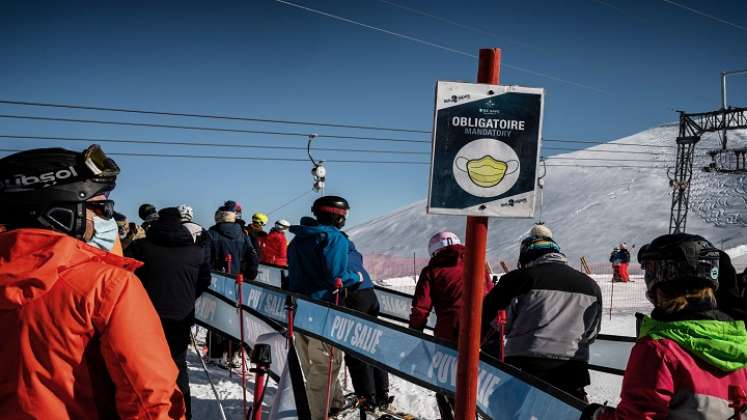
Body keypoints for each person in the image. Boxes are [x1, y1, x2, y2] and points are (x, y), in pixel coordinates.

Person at [0, 145, 185, 419]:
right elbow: (150, 401)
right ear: (61, 210)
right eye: (100, 207)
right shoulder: (106, 285)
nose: (104, 217)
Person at [582, 233, 747, 419]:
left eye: (652, 270)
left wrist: (596, 416)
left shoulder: (661, 350)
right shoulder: (740, 344)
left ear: (665, 279)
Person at [481, 224, 602, 400]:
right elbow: (591, 334)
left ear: (527, 256)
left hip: (524, 368)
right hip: (572, 372)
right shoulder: (591, 286)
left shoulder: (517, 280)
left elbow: (490, 321)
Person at [126, 207, 212, 420]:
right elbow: (204, 281)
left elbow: (125, 275)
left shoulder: (140, 247)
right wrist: (188, 298)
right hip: (180, 316)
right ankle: (183, 413)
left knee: (143, 367)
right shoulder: (196, 252)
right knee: (178, 366)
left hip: (144, 315)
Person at [287, 195, 368, 419]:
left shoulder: (298, 239)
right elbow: (337, 276)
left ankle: (335, 401)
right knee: (327, 364)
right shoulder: (334, 239)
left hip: (299, 307)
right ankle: (317, 414)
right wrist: (357, 276)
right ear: (338, 217)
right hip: (324, 309)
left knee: (311, 363)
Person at [410, 231, 493, 419]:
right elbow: (491, 296)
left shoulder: (432, 270)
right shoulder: (479, 263)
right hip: (483, 332)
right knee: (477, 384)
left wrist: (414, 332)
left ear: (434, 251)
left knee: (446, 384)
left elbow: (421, 308)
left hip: (449, 335)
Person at [206, 202, 259, 367]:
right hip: (238, 280)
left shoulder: (212, 233)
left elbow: (205, 256)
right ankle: (234, 354)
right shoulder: (243, 234)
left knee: (215, 314)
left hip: (216, 279)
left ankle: (215, 353)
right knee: (235, 316)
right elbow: (252, 255)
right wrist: (249, 275)